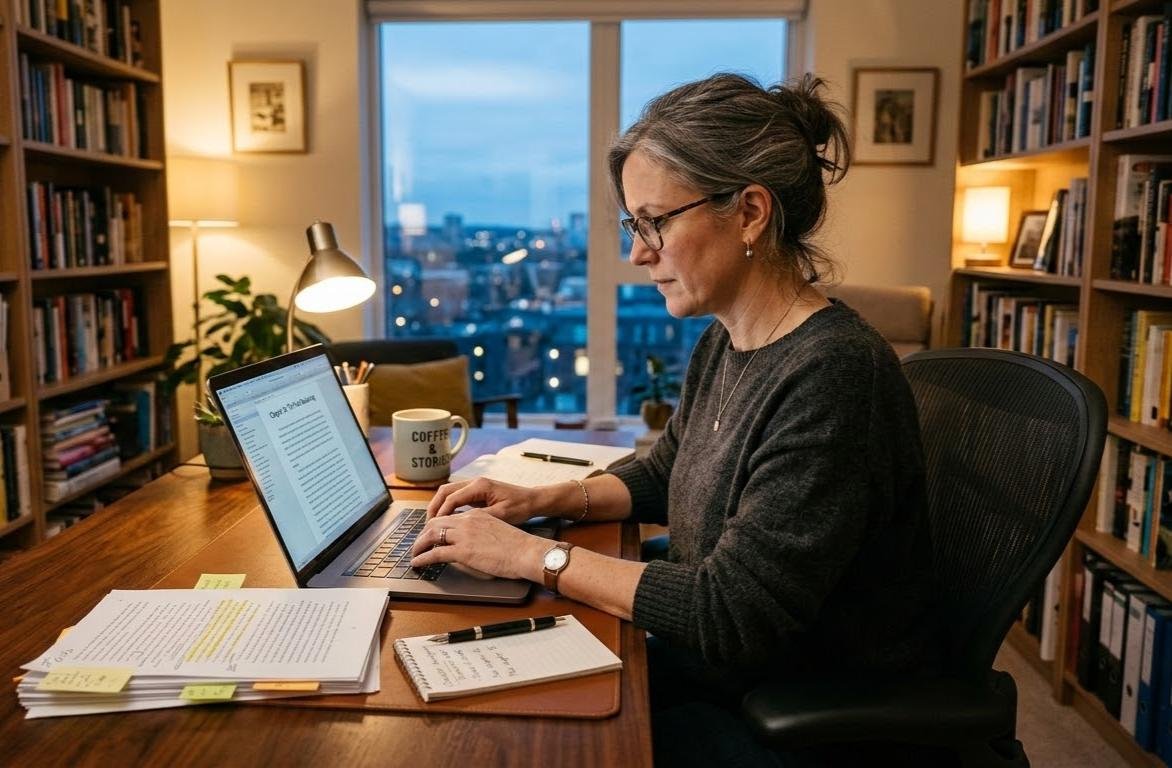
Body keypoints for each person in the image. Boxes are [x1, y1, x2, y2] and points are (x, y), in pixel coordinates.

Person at [410, 73, 942, 765]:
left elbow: (732, 613)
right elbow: (668, 470)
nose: (638, 253)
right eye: (634, 226)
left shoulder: (836, 374)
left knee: (517, 741)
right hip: (718, 672)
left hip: (790, 713)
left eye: (654, 221)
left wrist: (527, 556)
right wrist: (538, 502)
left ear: (750, 213)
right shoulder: (728, 339)